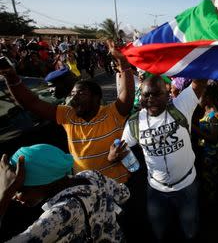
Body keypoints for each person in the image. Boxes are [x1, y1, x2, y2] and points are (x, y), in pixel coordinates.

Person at [0, 39, 135, 183]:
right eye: (72, 94)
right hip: (85, 189)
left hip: (117, 188)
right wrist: (11, 77)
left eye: (81, 94)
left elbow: (126, 95)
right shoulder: (67, 115)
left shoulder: (112, 113)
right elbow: (32, 103)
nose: (74, 98)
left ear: (97, 98)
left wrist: (123, 62)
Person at [120, 75, 206, 242]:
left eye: (156, 93)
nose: (151, 99)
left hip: (186, 186)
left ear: (168, 95)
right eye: (146, 95)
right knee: (159, 233)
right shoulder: (134, 123)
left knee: (190, 232)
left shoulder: (181, 106)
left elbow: (200, 81)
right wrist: (114, 154)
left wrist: (197, 53)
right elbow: (123, 148)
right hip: (156, 191)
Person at [0, 144, 130, 242]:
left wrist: (4, 194)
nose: (14, 197)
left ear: (41, 182)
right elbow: (124, 193)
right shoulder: (89, 175)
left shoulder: (59, 215)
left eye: (18, 190)